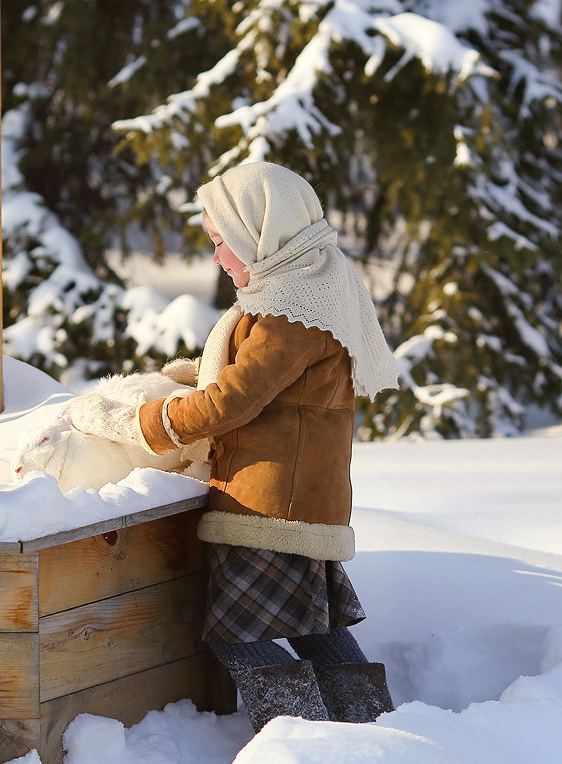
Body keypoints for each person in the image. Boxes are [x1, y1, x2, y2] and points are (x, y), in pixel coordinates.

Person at [67, 162, 400, 731]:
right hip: (299, 500)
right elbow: (265, 379)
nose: (218, 258)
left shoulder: (288, 313)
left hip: (267, 503)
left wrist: (135, 423)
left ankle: (306, 743)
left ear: (260, 235)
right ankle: (370, 732)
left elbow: (232, 402)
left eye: (223, 243)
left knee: (238, 638)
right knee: (313, 628)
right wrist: (192, 373)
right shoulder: (313, 286)